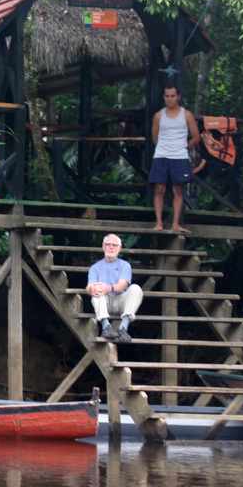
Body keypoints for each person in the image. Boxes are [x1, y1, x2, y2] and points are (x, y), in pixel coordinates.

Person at [150, 85, 200, 233]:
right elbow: (154, 137)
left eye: (172, 96)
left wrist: (184, 147)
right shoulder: (158, 116)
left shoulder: (187, 115)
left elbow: (196, 137)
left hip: (179, 156)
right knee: (159, 189)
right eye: (167, 96)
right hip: (161, 155)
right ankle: (159, 223)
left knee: (178, 190)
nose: (170, 99)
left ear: (178, 96)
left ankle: (175, 224)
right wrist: (163, 148)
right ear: (164, 97)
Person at [86, 234, 143, 343]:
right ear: (103, 246)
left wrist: (108, 288)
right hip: (104, 302)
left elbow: (122, 286)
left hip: (121, 301)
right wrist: (92, 289)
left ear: (119, 248)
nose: (111, 247)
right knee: (96, 292)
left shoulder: (125, 265)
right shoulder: (95, 268)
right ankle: (106, 326)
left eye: (114, 245)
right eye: (108, 244)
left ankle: (123, 328)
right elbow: (89, 286)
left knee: (136, 289)